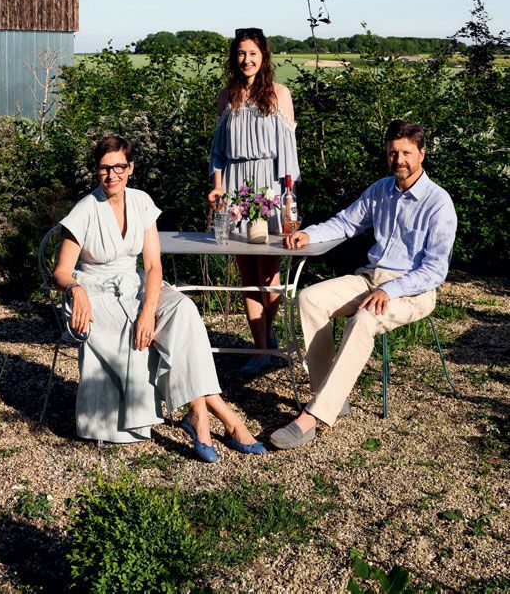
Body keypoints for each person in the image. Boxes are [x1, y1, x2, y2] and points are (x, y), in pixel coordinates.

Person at [52, 135, 266, 461]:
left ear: (131, 167)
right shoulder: (85, 209)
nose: (112, 175)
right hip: (94, 291)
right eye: (104, 169)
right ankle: (222, 417)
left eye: (119, 167)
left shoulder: (141, 202)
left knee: (183, 309)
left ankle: (199, 414)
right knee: (137, 329)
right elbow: (61, 271)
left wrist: (150, 308)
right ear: (97, 171)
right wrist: (76, 290)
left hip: (134, 282)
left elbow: (153, 265)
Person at [270, 120, 457, 449]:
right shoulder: (381, 189)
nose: (398, 159)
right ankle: (330, 394)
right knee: (309, 298)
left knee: (363, 319)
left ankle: (313, 417)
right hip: (371, 278)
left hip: (412, 290)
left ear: (422, 154)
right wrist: (309, 234)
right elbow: (345, 223)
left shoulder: (439, 203)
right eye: (392, 152)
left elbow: (434, 270)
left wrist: (391, 291)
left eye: (406, 153)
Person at [208, 27, 301, 376]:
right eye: (241, 54)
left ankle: (270, 335)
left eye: (253, 54)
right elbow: (217, 152)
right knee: (247, 275)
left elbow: (288, 156)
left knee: (270, 275)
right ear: (235, 57)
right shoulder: (226, 96)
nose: (246, 60)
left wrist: (289, 198)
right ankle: (262, 350)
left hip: (270, 189)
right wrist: (217, 189)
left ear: (264, 58)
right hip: (234, 188)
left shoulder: (279, 94)